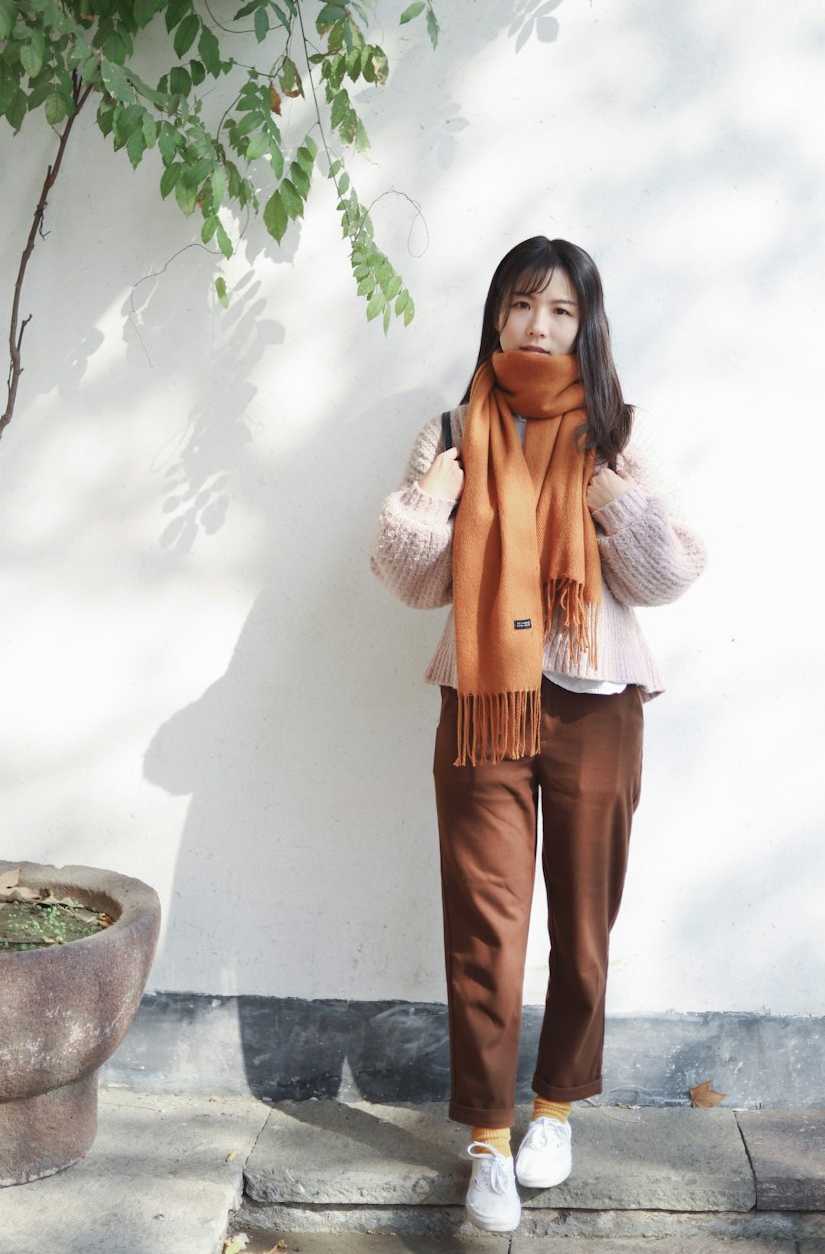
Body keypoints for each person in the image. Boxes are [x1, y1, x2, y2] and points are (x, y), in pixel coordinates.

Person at [370, 235, 706, 1234]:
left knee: (583, 925)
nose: (539, 326)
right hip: (483, 700)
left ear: (584, 324)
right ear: (497, 313)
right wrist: (430, 501)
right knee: (485, 931)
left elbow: (673, 572)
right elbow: (408, 580)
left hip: (597, 704)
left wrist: (614, 504)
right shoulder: (452, 432)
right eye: (523, 305)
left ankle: (553, 1111)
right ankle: (485, 1141)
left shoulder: (616, 433)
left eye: (560, 311)